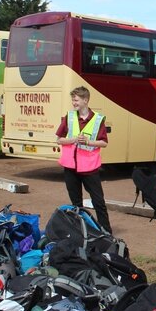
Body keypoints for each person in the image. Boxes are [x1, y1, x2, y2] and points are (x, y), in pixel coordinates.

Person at [55, 86, 113, 235]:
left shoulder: (98, 119)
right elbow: (59, 140)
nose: (73, 103)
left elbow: (104, 143)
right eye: (73, 100)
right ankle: (80, 232)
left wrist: (88, 142)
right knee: (76, 204)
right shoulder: (69, 116)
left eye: (76, 100)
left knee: (98, 202)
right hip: (71, 167)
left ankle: (106, 232)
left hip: (90, 168)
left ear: (85, 100)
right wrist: (73, 139)